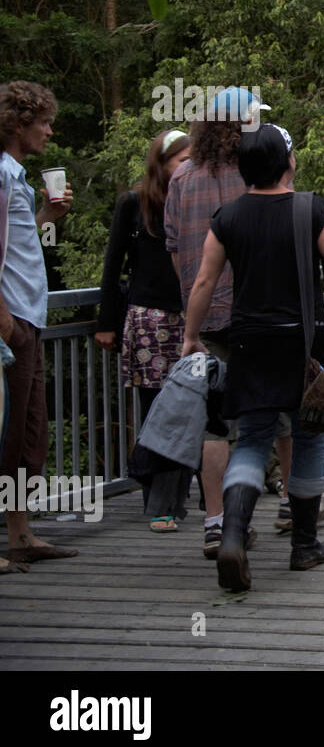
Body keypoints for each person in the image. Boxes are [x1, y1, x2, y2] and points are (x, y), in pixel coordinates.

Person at [182, 123, 324, 592]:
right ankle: (304, 546)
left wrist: (190, 336)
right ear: (288, 163)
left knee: (250, 440)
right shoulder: (309, 208)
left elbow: (204, 283)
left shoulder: (227, 217)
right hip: (303, 342)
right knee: (307, 439)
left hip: (249, 342)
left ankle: (231, 536)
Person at [166, 87, 289, 558]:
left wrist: (190, 324)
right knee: (277, 410)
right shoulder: (254, 177)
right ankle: (292, 508)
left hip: (206, 317)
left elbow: (175, 248)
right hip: (260, 313)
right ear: (241, 126)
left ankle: (215, 522)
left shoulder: (181, 178)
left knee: (214, 422)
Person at [96, 129, 193, 532]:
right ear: (162, 162)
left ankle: (176, 497)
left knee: (189, 410)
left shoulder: (192, 198)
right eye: (180, 159)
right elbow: (113, 262)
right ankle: (156, 500)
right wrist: (106, 322)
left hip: (189, 317)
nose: (187, 166)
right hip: (149, 319)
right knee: (156, 410)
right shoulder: (133, 204)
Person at [0, 81, 76, 570]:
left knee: (30, 429)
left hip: (29, 315)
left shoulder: (16, 176)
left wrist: (47, 215)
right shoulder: (2, 174)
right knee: (8, 430)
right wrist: (4, 320)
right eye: (42, 122)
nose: (49, 130)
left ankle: (20, 532)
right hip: (12, 320)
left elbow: (19, 239)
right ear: (17, 124)